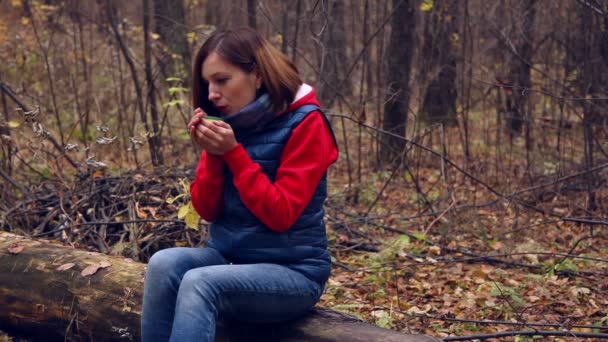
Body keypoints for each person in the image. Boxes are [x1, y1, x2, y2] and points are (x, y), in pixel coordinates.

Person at [140, 27, 338, 342]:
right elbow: (207, 209)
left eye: (222, 80)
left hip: (294, 273)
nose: (212, 93)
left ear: (257, 76)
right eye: (207, 83)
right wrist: (213, 154)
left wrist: (233, 153)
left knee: (200, 283)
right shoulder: (230, 121)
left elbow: (281, 214)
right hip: (229, 258)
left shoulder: (307, 124)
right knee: (163, 263)